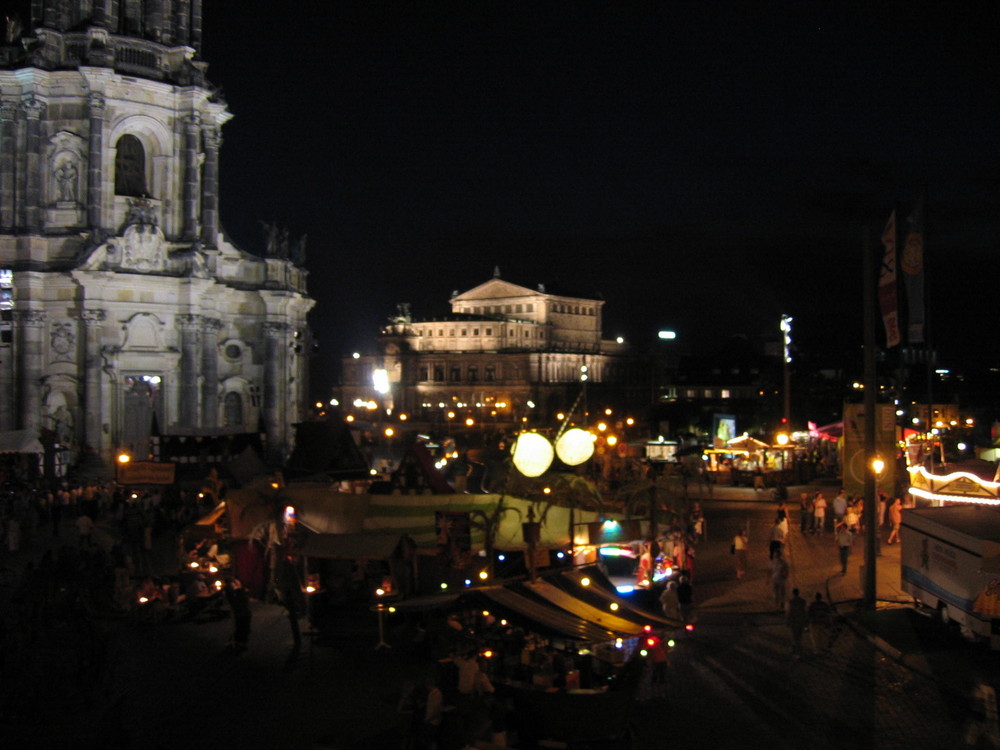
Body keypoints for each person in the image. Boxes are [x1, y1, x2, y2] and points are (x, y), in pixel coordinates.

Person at [225, 578, 252, 652]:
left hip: (244, 612)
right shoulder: (235, 592)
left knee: (244, 628)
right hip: (240, 612)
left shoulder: (240, 591)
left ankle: (240, 642)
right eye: (235, 583)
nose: (237, 584)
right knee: (241, 627)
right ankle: (238, 642)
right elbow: (236, 601)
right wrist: (239, 590)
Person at [786, 588, 808, 657]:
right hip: (801, 621)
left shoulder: (791, 602)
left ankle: (798, 652)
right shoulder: (803, 601)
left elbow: (789, 612)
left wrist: (787, 621)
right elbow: (805, 612)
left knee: (795, 638)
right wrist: (806, 621)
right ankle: (797, 651)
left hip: (794, 622)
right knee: (799, 637)